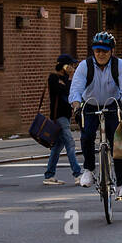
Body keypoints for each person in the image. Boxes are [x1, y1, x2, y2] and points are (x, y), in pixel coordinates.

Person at [69, 31, 122, 200]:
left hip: (113, 105)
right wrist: (77, 107)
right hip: (90, 105)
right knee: (87, 136)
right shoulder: (85, 66)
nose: (101, 54)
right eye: (97, 50)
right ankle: (89, 170)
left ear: (111, 51)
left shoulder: (119, 65)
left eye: (105, 51)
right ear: (93, 50)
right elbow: (75, 90)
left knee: (118, 144)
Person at [43, 54, 83, 185]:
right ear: (64, 66)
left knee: (57, 147)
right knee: (70, 144)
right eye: (70, 65)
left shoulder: (65, 79)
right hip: (58, 117)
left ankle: (49, 175)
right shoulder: (53, 78)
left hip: (65, 116)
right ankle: (77, 174)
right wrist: (69, 79)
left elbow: (72, 91)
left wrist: (68, 79)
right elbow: (65, 90)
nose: (72, 68)